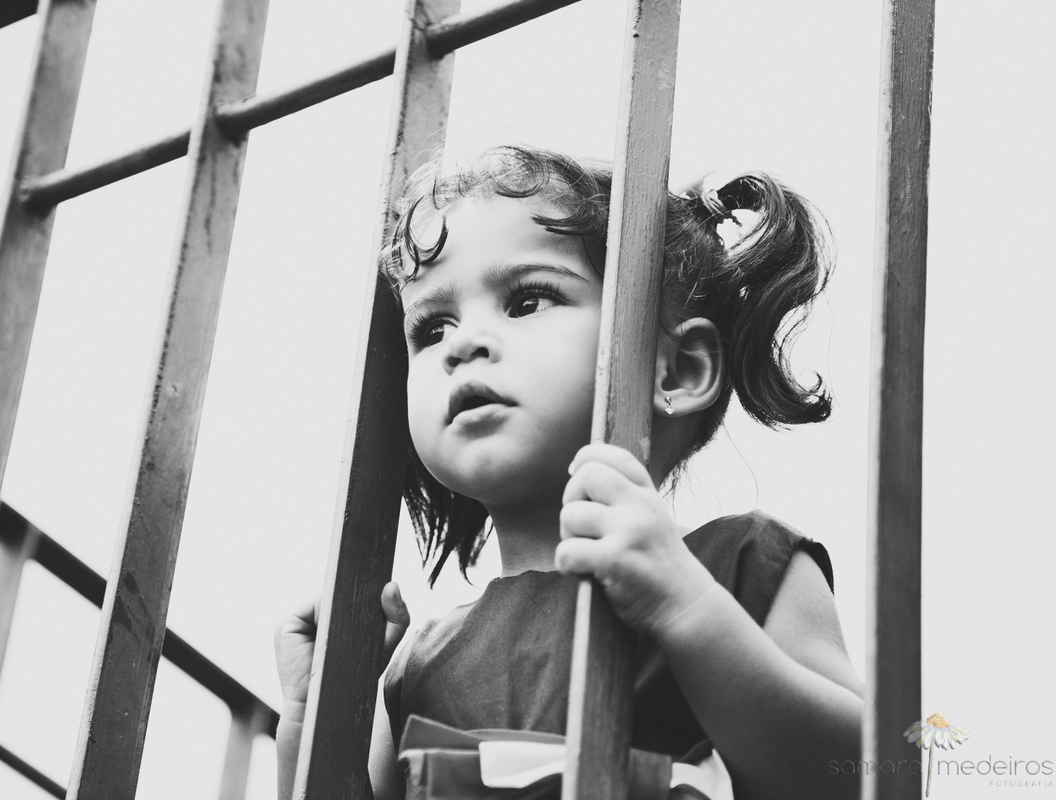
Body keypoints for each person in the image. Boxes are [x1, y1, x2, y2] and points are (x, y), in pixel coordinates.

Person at [275, 145, 863, 800]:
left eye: (527, 300)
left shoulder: (743, 567)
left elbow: (865, 776)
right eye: (432, 327)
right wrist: (315, 720)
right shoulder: (414, 665)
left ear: (678, 370)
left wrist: (685, 606)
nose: (464, 343)